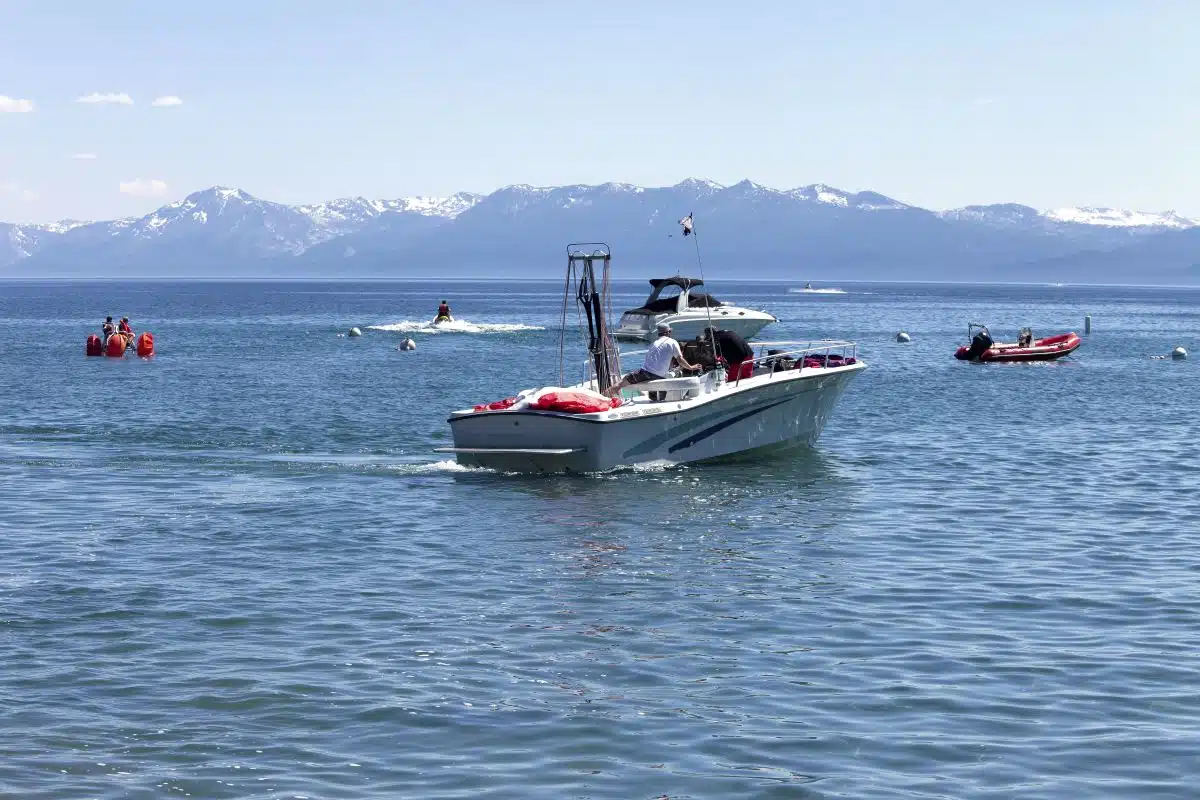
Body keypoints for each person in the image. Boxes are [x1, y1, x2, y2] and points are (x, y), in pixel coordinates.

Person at [604, 323, 700, 397]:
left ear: (659, 333)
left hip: (646, 373)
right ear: (668, 332)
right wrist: (691, 367)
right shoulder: (672, 342)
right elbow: (680, 360)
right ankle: (605, 396)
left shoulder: (655, 343)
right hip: (659, 375)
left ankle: (604, 396)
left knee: (622, 382)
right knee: (624, 381)